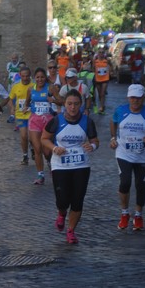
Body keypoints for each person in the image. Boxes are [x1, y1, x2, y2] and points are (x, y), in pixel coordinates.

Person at [41, 89, 99, 244]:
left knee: (77, 200)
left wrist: (92, 147)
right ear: (64, 104)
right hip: (60, 164)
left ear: (81, 105)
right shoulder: (56, 120)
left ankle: (71, 230)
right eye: (69, 104)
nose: (73, 107)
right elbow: (44, 138)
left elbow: (95, 140)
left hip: (81, 164)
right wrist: (54, 148)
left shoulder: (87, 121)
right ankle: (61, 213)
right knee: (62, 200)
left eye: (76, 104)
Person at [109, 84, 145, 231]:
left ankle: (138, 215)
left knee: (140, 185)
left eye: (138, 98)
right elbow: (113, 122)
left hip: (142, 156)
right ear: (128, 97)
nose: (135, 101)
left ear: (143, 98)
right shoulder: (121, 111)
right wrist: (113, 138)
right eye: (132, 97)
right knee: (125, 182)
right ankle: (124, 213)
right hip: (123, 153)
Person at [24, 67, 54, 185]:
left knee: (47, 151)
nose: (40, 79)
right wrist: (27, 107)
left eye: (42, 77)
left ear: (45, 78)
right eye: (38, 77)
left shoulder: (50, 88)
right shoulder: (31, 89)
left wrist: (53, 101)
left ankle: (50, 162)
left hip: (48, 121)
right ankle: (40, 175)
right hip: (34, 121)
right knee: (37, 149)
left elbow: (62, 101)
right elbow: (27, 103)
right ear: (34, 78)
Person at [8, 66, 33, 164]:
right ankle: (25, 155)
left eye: (27, 76)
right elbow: (10, 98)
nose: (25, 78)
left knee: (31, 137)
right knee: (23, 136)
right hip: (20, 114)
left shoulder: (34, 85)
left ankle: (33, 149)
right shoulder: (16, 86)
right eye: (23, 76)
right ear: (20, 76)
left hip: (32, 114)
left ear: (30, 76)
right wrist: (12, 108)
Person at [94, 47, 112, 114]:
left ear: (104, 54)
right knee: (99, 94)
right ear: (98, 53)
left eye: (102, 52)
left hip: (105, 78)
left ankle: (101, 106)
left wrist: (110, 71)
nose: (101, 54)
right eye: (100, 52)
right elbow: (93, 68)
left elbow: (111, 66)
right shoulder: (95, 61)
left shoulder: (106, 60)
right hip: (97, 79)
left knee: (103, 93)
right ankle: (102, 104)